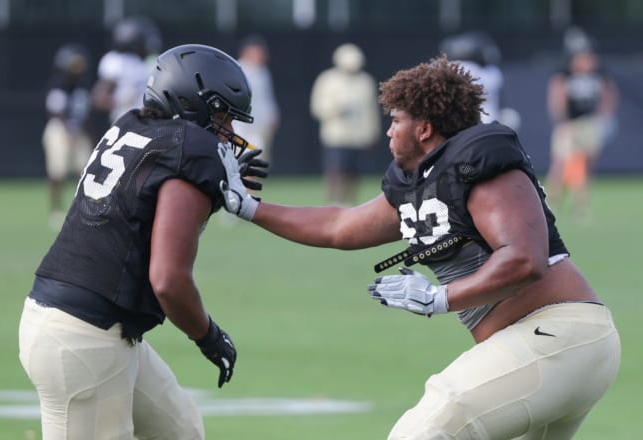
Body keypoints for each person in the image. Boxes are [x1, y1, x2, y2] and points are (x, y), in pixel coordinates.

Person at [217, 55, 621, 439]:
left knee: (426, 427)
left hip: (560, 336)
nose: (389, 130)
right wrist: (251, 208)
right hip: (550, 347)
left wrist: (438, 298)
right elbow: (338, 226)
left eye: (396, 120)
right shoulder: (425, 182)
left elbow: (524, 260)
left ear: (424, 128)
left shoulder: (477, 166)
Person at [18, 44, 267, 439]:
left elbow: (148, 215)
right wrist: (208, 336)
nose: (229, 132)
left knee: (181, 429)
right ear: (190, 103)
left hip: (81, 324)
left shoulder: (131, 125)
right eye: (222, 116)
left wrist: (210, 194)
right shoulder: (191, 149)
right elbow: (168, 279)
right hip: (84, 338)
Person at [545, 27, 619, 218]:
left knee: (585, 164)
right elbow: (557, 98)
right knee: (561, 163)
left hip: (590, 123)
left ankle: (581, 205)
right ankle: (553, 201)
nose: (588, 61)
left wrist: (605, 116)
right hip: (570, 124)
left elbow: (609, 94)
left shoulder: (598, 74)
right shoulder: (565, 74)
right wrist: (562, 122)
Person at [310, 43, 381, 206]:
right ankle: (334, 203)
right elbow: (317, 108)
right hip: (336, 136)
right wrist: (337, 109)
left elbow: (371, 110)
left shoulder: (366, 81)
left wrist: (372, 133)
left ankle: (350, 205)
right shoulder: (327, 79)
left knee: (354, 173)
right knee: (335, 171)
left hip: (358, 137)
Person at [42, 43, 94, 230]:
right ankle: (56, 209)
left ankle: (83, 208)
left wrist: (91, 137)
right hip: (60, 129)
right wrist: (68, 132)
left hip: (78, 129)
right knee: (58, 171)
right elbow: (56, 113)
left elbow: (85, 115)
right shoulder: (58, 86)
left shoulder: (83, 87)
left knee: (86, 169)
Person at [91, 16, 159, 125]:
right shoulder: (116, 61)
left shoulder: (150, 62)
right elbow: (98, 99)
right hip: (125, 124)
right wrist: (120, 102)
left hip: (148, 123)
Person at [233, 34, 280, 164]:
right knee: (247, 162)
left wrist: (273, 114)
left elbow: (267, 98)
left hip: (261, 127)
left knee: (258, 163)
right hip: (243, 128)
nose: (262, 55)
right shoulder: (238, 70)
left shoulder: (263, 71)